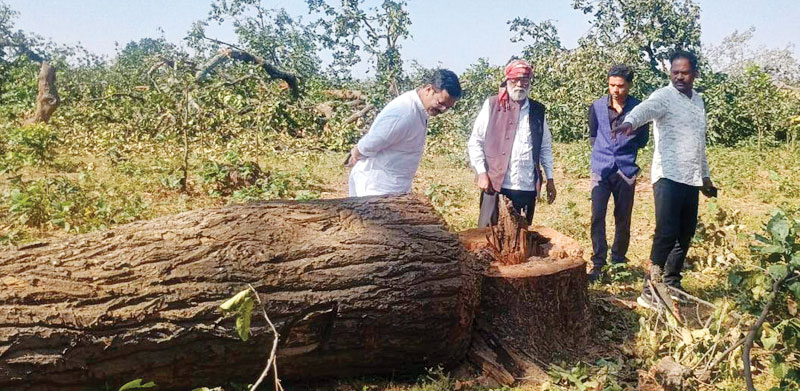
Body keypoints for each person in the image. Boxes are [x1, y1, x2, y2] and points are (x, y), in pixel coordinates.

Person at [613, 50, 717, 308]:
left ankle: (671, 282)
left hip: (691, 178)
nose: (679, 77)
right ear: (670, 73)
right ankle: (650, 290)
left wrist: (705, 177)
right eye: (675, 72)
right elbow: (644, 110)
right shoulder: (664, 96)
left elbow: (699, 143)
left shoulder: (698, 101)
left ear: (695, 73)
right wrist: (630, 122)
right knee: (666, 232)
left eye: (685, 72)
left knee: (685, 234)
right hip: (668, 175)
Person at [468, 59, 556, 227]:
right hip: (495, 185)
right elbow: (475, 141)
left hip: (526, 186)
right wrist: (481, 173)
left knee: (520, 238)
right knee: (487, 237)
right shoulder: (492, 105)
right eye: (515, 80)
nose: (520, 84)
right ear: (507, 80)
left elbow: (545, 147)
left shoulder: (537, 110)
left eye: (525, 80)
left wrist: (550, 179)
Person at [347, 69, 462, 197]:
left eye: (448, 107)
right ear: (429, 90)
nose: (443, 109)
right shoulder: (405, 112)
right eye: (441, 103)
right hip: (376, 188)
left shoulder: (419, 109)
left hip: (393, 186)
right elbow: (372, 142)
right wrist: (356, 153)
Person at [587, 64, 649, 282]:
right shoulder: (596, 107)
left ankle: (619, 262)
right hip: (601, 170)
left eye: (621, 86)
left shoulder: (639, 109)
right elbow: (594, 136)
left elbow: (643, 140)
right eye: (612, 85)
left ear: (629, 86)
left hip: (625, 170)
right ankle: (598, 264)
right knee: (597, 217)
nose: (616, 90)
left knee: (623, 218)